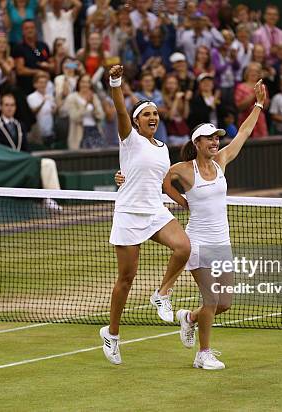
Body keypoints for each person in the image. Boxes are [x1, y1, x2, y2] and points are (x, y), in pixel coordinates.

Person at [163, 81, 265, 370]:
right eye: (208, 138)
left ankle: (189, 318)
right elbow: (160, 179)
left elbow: (243, 132)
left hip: (222, 244)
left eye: (216, 137)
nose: (214, 141)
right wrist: (180, 201)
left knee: (224, 303)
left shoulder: (221, 161)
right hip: (197, 244)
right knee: (210, 299)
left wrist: (257, 105)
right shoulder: (184, 169)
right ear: (197, 144)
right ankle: (202, 354)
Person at [99, 65, 191, 365]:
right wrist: (116, 82)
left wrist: (183, 200)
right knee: (126, 279)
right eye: (146, 114)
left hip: (155, 210)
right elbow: (120, 110)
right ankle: (111, 334)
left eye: (155, 114)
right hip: (128, 213)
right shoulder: (129, 138)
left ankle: (162, 293)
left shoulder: (164, 148)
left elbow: (163, 182)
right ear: (137, 122)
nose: (153, 117)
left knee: (184, 247)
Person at [62, 74, 105, 149]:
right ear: (78, 83)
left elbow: (101, 116)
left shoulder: (94, 96)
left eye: (88, 82)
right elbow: (74, 117)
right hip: (80, 133)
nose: (85, 84)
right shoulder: (72, 98)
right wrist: (86, 104)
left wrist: (93, 105)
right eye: (83, 82)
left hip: (95, 130)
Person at [12, 19, 51, 95]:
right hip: (26, 87)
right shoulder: (19, 48)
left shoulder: (42, 47)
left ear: (35, 29)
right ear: (23, 31)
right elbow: (20, 70)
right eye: (27, 28)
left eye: (32, 28)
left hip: (44, 86)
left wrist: (49, 65)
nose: (30, 30)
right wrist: (38, 72)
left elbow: (47, 59)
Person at [235, 62, 268, 137]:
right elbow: (239, 106)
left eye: (256, 71)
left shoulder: (263, 87)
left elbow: (265, 106)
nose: (253, 73)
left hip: (260, 122)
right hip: (245, 120)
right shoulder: (240, 87)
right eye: (251, 71)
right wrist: (254, 94)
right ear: (246, 73)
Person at [27, 71, 56, 148]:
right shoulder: (31, 97)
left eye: (44, 83)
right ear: (35, 84)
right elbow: (33, 112)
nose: (43, 85)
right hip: (38, 132)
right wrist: (42, 102)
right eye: (40, 82)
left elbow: (53, 112)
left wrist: (55, 109)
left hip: (50, 131)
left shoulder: (50, 97)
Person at [162, 74, 192, 145]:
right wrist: (176, 99)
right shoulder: (162, 98)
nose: (172, 85)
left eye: (174, 83)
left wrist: (187, 100)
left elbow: (185, 116)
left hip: (184, 134)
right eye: (169, 83)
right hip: (172, 135)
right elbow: (170, 117)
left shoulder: (181, 98)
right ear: (165, 85)